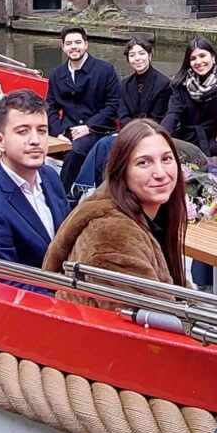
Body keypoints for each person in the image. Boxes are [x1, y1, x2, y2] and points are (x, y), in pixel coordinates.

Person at [43, 119, 187, 309]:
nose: (160, 172)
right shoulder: (111, 234)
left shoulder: (155, 214)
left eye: (166, 159)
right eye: (144, 163)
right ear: (121, 172)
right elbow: (149, 319)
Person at [0, 89, 69, 269]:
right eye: (23, 132)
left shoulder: (49, 176)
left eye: (42, 131)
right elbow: (4, 284)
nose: (35, 140)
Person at [72, 36, 172, 193]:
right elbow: (122, 113)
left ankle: (97, 190)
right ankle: (87, 188)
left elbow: (157, 118)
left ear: (150, 55)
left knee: (107, 145)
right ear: (128, 60)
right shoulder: (125, 84)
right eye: (132, 55)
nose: (137, 58)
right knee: (103, 145)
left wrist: (132, 132)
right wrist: (127, 131)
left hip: (150, 134)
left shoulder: (163, 84)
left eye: (141, 53)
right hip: (127, 131)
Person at [46, 26, 121, 193]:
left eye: (78, 42)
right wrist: (57, 133)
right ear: (63, 47)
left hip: (98, 129)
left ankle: (64, 197)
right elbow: (50, 106)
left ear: (86, 45)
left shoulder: (105, 70)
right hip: (66, 131)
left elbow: (113, 104)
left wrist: (89, 126)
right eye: (69, 43)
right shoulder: (57, 74)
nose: (74, 47)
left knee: (75, 151)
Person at [161, 38, 217, 164]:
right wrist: (161, 136)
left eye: (202, 56)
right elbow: (173, 113)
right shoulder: (182, 84)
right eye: (193, 58)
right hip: (186, 142)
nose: (198, 62)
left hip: (214, 142)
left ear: (213, 57)